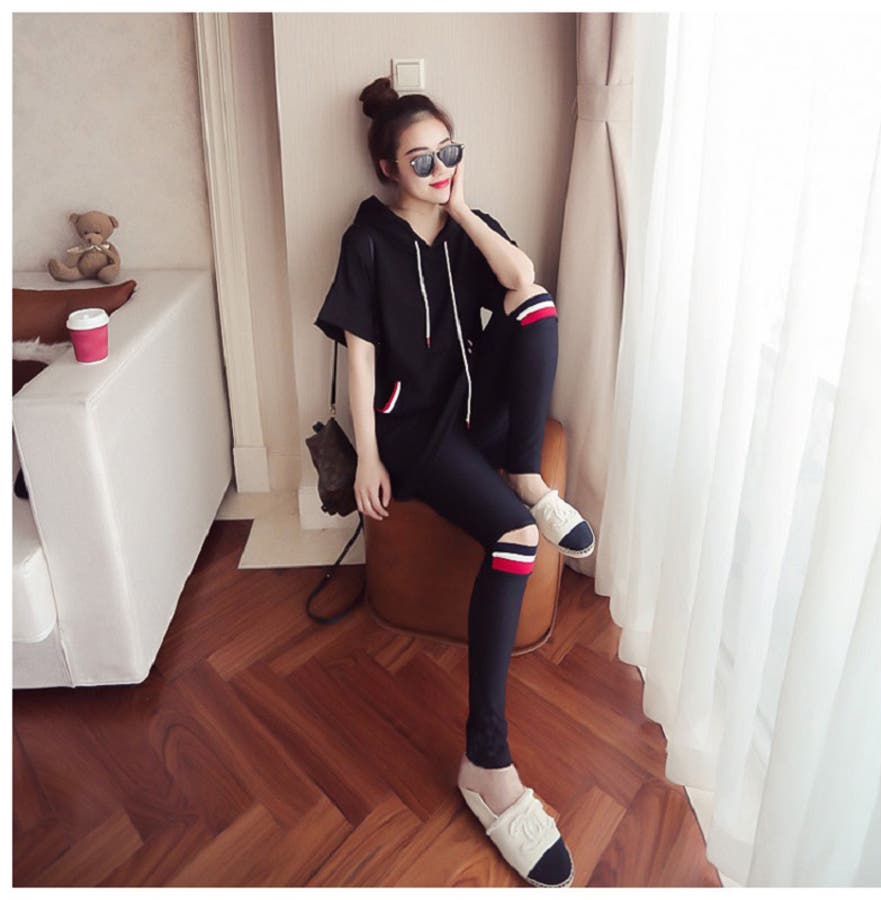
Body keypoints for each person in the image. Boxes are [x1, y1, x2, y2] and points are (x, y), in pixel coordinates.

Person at [313, 76, 594, 888]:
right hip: (416, 431)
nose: (438, 169)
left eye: (448, 153)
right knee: (514, 539)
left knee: (533, 303)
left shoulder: (463, 224)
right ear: (387, 168)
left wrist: (462, 208)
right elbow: (360, 355)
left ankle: (525, 474)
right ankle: (487, 763)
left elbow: (520, 274)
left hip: (475, 414)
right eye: (421, 160)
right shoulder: (367, 242)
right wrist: (370, 455)